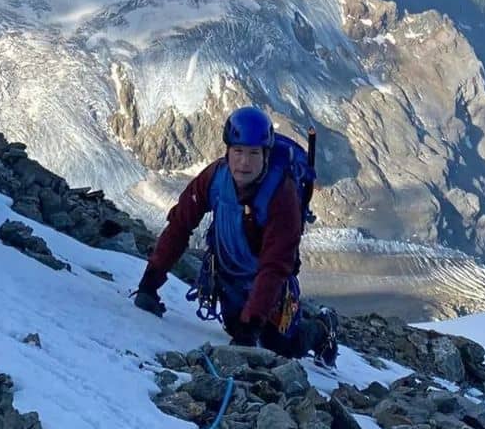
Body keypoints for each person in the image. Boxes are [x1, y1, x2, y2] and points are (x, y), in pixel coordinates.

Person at [132, 105, 339, 367]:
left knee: (282, 345)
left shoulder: (281, 194)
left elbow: (276, 265)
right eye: (238, 151)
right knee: (236, 328)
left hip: (269, 283)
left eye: (253, 153)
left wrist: (251, 327)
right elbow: (180, 225)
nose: (244, 162)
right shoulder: (214, 177)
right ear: (227, 151)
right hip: (229, 278)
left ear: (265, 155)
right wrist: (150, 283)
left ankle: (322, 328)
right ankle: (262, 318)